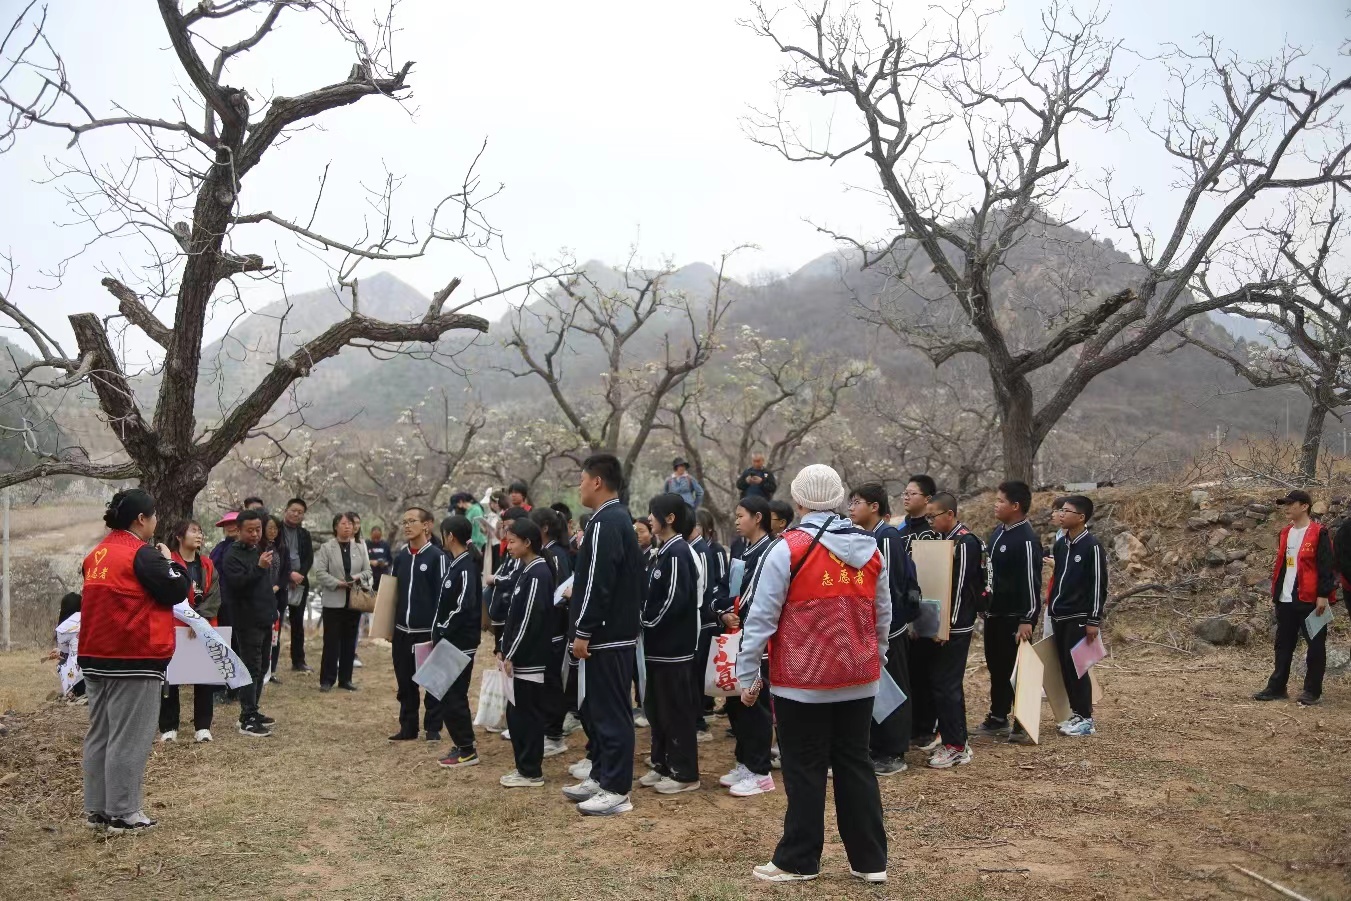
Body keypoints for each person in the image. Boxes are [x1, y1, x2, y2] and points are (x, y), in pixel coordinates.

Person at [736, 464, 891, 884]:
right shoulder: (870, 548)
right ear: (839, 499)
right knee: (855, 763)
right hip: (859, 676)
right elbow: (882, 617)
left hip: (802, 681)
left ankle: (798, 859)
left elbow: (762, 619)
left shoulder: (788, 549)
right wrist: (877, 661)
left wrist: (746, 672)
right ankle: (870, 861)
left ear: (800, 501)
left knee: (804, 768)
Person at [79, 488, 191, 834]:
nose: (156, 521)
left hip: (96, 656)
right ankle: (124, 813)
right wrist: (168, 560)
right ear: (141, 519)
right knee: (130, 737)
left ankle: (97, 810)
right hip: (134, 656)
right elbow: (177, 589)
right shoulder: (141, 555)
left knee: (101, 734)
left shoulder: (96, 554)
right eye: (154, 515)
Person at [562, 453, 645, 817]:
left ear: (597, 481)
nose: (579, 486)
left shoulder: (606, 521)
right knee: (598, 709)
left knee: (612, 712)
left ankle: (616, 788)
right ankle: (601, 775)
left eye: (582, 479)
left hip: (608, 635)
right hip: (608, 634)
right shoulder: (610, 519)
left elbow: (597, 583)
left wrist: (584, 629)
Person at [848, 482, 919, 776]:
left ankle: (894, 751)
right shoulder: (866, 536)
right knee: (877, 690)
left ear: (874, 507)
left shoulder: (885, 537)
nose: (851, 508)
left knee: (894, 688)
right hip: (872, 628)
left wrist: (884, 626)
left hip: (889, 628)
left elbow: (888, 587)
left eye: (857, 502)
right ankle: (879, 745)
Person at [637, 493, 702, 795]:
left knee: (676, 711)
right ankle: (661, 764)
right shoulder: (662, 552)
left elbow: (674, 601)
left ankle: (684, 772)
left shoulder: (678, 554)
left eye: (653, 513)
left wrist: (645, 623)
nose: (649, 519)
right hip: (657, 650)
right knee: (657, 710)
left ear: (670, 518)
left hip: (674, 650)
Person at [717, 495, 777, 797]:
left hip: (760, 641)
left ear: (757, 517)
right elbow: (728, 589)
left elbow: (757, 598)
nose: (737, 520)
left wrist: (734, 608)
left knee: (756, 704)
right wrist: (723, 610)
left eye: (741, 515)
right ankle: (744, 761)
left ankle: (761, 770)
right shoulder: (741, 548)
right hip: (737, 637)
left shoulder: (771, 550)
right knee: (735, 701)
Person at [1255, 490, 1335, 706]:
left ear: (1305, 506)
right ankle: (1277, 687)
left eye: (1291, 503)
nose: (1287, 507)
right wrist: (1277, 595)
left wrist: (1323, 595)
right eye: (1285, 504)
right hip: (1286, 598)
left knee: (1316, 646)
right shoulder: (1285, 533)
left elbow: (1327, 566)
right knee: (1283, 644)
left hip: (1311, 599)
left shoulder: (1319, 533)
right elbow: (1283, 566)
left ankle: (1312, 691)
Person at [977, 481, 1043, 744]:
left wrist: (1027, 618)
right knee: (998, 668)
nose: (996, 504)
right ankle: (998, 717)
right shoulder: (998, 533)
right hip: (995, 615)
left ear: (1016, 506)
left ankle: (1024, 723)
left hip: (1015, 619)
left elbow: (1031, 582)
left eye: (1001, 500)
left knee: (1019, 670)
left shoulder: (1026, 539)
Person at [920, 492, 982, 769]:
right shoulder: (941, 540)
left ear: (949, 514)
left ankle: (957, 746)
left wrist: (948, 626)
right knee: (939, 684)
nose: (930, 521)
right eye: (928, 516)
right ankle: (950, 739)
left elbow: (960, 589)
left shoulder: (967, 542)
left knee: (948, 685)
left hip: (955, 627)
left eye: (933, 516)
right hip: (940, 625)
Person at [498, 518, 558, 788]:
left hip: (530, 659)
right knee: (517, 713)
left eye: (512, 541)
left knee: (528, 715)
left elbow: (529, 619)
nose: (508, 546)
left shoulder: (538, 573)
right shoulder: (526, 570)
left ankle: (531, 771)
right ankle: (524, 768)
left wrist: (510, 652)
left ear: (528, 543)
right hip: (519, 656)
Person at [1048, 495, 1108, 734]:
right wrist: (1052, 606)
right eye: (1060, 510)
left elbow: (1098, 585)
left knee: (1078, 667)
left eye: (1067, 511)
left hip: (1079, 617)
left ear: (1081, 517)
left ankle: (1086, 719)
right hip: (1059, 616)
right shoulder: (1061, 545)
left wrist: (1094, 619)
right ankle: (1075, 714)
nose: (1061, 514)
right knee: (1064, 667)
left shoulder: (1091, 546)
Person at [387, 507, 448, 741]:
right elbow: (393, 594)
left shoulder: (437, 557)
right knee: (405, 682)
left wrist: (438, 631)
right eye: (404, 522)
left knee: (432, 682)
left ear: (427, 525)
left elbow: (443, 598)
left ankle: (433, 728)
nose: (407, 526)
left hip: (427, 633)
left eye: (412, 521)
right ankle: (408, 727)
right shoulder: (401, 556)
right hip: (402, 631)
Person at [159, 519, 221, 744]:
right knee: (170, 678)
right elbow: (165, 593)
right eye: (194, 531)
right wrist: (188, 620)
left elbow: (214, 594)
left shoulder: (207, 564)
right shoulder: (169, 562)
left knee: (203, 677)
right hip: (173, 627)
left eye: (201, 532)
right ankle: (168, 727)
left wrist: (200, 618)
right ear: (179, 536)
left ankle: (203, 726)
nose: (199, 535)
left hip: (202, 627)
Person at [220, 509, 278, 738]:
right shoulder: (232, 555)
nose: (255, 534)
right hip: (247, 620)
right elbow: (238, 584)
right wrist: (259, 568)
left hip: (265, 617)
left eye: (258, 529)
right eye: (250, 530)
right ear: (238, 530)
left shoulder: (258, 550)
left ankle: (252, 711)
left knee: (263, 667)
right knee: (250, 668)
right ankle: (247, 717)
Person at [435, 515, 484, 769]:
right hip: (448, 641)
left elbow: (465, 606)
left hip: (459, 641)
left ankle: (467, 749)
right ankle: (460, 742)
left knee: (454, 695)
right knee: (445, 693)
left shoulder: (466, 566)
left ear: (450, 535)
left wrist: (443, 628)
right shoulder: (455, 564)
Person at [896, 475, 939, 748]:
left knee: (925, 673)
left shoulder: (930, 534)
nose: (906, 497)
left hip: (924, 614)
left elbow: (932, 580)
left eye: (912, 493)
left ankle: (927, 727)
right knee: (907, 674)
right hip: (901, 615)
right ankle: (910, 726)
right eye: (905, 492)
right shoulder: (898, 533)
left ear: (927, 499)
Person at [312, 513, 371, 692]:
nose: (348, 527)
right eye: (344, 523)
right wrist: (337, 583)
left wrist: (357, 578)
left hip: (354, 600)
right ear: (335, 526)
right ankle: (327, 680)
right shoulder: (326, 548)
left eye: (351, 524)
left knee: (349, 640)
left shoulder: (360, 547)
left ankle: (346, 679)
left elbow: (368, 571)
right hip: (333, 601)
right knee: (331, 641)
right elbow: (320, 573)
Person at [533, 507, 574, 759]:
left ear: (545, 528)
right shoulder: (545, 553)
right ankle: (547, 730)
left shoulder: (555, 555)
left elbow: (560, 591)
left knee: (553, 682)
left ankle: (554, 735)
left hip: (556, 628)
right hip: (546, 629)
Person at [691, 508, 727, 741]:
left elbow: (719, 584)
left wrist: (715, 607)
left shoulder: (710, 551)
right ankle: (701, 708)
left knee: (703, 667)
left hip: (709, 617)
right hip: (704, 616)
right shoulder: (692, 550)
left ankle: (703, 712)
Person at [280, 499, 314, 674]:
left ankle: (298, 660)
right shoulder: (276, 529)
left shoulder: (304, 534)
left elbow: (309, 557)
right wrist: (287, 574)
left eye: (300, 512)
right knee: (275, 620)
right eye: (293, 510)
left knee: (297, 621)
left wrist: (300, 574)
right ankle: (270, 662)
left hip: (299, 582)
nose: (296, 514)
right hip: (279, 581)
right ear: (286, 510)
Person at [263, 514, 293, 685]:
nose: (273, 531)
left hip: (278, 596)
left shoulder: (283, 548)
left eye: (275, 528)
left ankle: (272, 670)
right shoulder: (259, 548)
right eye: (269, 528)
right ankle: (261, 669)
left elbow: (286, 571)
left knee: (276, 634)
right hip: (261, 598)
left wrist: (277, 586)